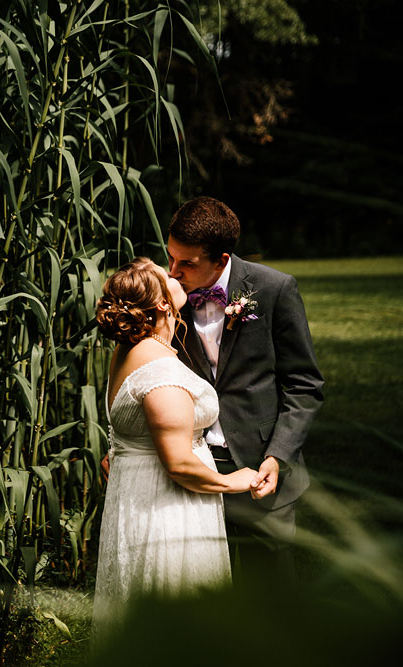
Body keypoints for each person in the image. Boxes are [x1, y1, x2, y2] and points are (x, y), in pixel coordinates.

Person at [91, 257, 261, 636]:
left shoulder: (129, 350)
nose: (175, 274)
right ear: (164, 304)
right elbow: (179, 464)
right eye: (166, 276)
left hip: (139, 495)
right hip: (166, 510)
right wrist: (238, 481)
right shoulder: (162, 373)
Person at [166, 197, 324, 583]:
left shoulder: (274, 289)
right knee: (203, 587)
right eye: (170, 257)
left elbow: (305, 384)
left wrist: (277, 456)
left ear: (221, 260)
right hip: (195, 465)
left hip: (260, 465)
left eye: (187, 263)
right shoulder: (166, 295)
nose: (173, 271)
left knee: (268, 591)